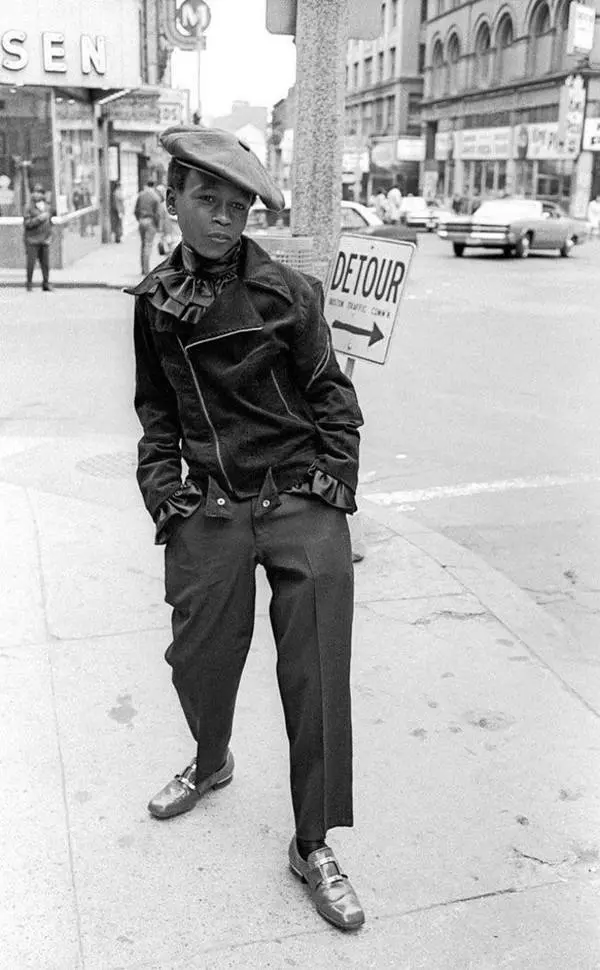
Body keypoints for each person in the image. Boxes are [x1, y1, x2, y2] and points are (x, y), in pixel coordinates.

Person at [128, 126, 365, 931]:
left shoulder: (291, 293)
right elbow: (156, 412)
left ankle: (312, 843)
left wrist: (332, 491)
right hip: (214, 506)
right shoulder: (156, 301)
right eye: (208, 201)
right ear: (174, 202)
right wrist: (166, 493)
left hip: (298, 498)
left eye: (239, 206)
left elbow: (332, 396)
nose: (226, 219)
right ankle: (210, 759)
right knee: (195, 656)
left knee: (317, 673)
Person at [23, 183, 53, 292]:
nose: (37, 195)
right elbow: (27, 224)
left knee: (45, 264)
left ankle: (46, 283)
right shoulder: (28, 207)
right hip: (32, 240)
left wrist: (50, 234)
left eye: (39, 192)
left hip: (45, 240)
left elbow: (51, 221)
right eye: (35, 192)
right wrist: (39, 219)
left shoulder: (48, 207)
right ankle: (29, 283)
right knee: (31, 263)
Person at [134, 178, 162, 275]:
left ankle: (143, 269)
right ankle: (146, 271)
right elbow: (158, 214)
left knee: (143, 245)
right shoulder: (156, 197)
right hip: (151, 222)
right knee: (148, 245)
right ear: (154, 186)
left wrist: (139, 219)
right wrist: (158, 226)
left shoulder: (141, 195)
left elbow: (136, 210)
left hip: (142, 221)